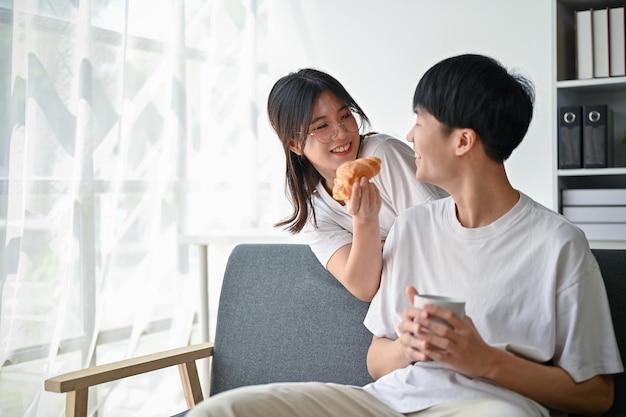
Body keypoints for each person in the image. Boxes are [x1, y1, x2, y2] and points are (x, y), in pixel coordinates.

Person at [187, 54, 623, 417]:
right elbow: (377, 360)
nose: (409, 134)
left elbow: (598, 395)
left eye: (421, 120)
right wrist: (410, 347)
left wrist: (484, 360)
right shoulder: (413, 228)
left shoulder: (558, 244)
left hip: (489, 406)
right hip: (386, 401)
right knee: (224, 410)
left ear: (463, 141)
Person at [268, 68, 443, 301]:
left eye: (345, 116)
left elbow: (441, 234)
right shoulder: (316, 213)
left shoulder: (382, 155)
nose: (341, 133)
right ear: (294, 144)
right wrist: (365, 221)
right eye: (322, 127)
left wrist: (383, 248)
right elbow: (364, 287)